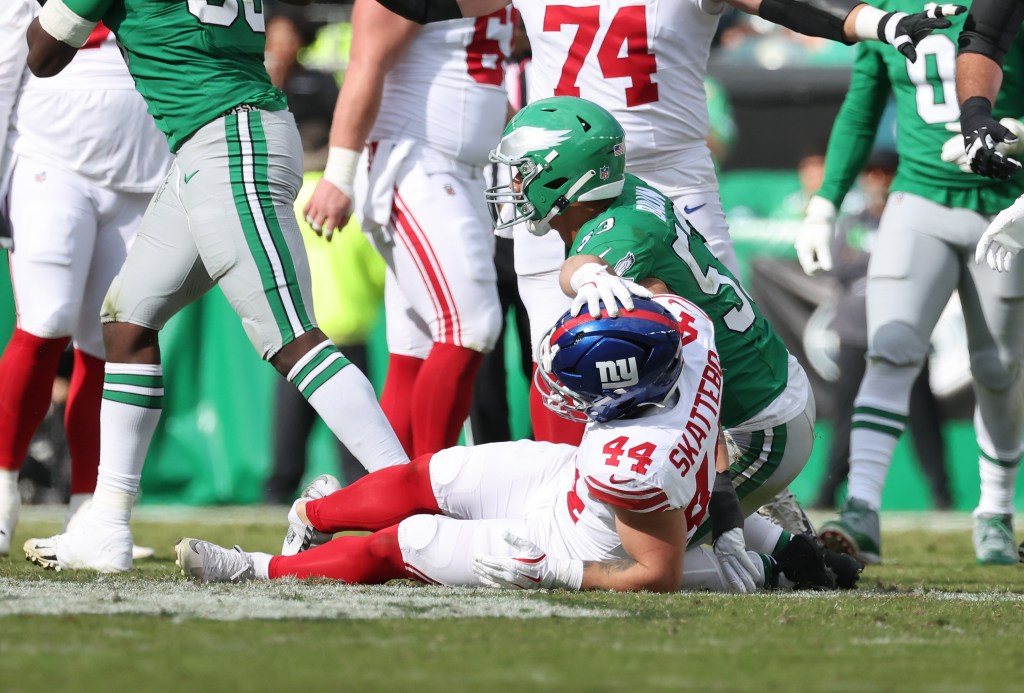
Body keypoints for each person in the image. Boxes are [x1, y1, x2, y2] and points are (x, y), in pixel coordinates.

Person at [367, 0, 966, 447]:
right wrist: (872, 22)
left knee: (717, 344)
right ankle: (558, 503)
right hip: (560, 181)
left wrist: (874, 22)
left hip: (666, 175)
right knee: (561, 357)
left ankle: (755, 500)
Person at [20, 0, 409, 573]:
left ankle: (408, 506)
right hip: (208, 142)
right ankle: (105, 523)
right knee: (127, 323)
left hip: (231, 136)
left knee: (291, 338)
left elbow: (42, 53)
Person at [177, 297, 853, 592]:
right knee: (428, 476)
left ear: (620, 391)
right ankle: (311, 517)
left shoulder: (638, 462)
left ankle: (252, 568)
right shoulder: (689, 339)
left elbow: (657, 574)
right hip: (575, 485)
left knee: (401, 544)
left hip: (594, 544)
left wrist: (557, 573)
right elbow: (716, 449)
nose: (566, 394)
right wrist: (735, 524)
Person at [486, 96, 824, 549]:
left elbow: (689, 367)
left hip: (757, 425)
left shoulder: (620, 236)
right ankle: (785, 535)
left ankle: (785, 552)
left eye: (523, 171)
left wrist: (584, 274)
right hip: (762, 392)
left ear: (563, 175)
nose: (515, 184)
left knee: (624, 551)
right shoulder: (620, 198)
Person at [794, 0, 1024, 564]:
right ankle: (862, 508)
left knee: (998, 368)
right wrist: (825, 202)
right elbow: (860, 107)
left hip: (1005, 204)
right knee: (890, 349)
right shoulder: (885, 8)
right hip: (918, 197)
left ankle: (994, 511)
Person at [300, 0, 508, 458]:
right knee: (470, 325)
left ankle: (391, 499)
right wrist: (338, 174)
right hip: (417, 164)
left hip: (464, 172)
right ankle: (427, 493)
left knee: (413, 346)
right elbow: (366, 61)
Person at [0, 1, 171, 557]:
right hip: (51, 150)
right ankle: (1, 493)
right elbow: (8, 58)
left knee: (113, 338)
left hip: (144, 162)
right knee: (46, 319)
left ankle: (92, 514)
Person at [808, 150, 953, 512]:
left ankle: (942, 495)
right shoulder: (853, 221)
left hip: (906, 329)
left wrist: (874, 265)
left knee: (923, 416)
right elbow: (840, 266)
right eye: (872, 170)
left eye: (887, 171)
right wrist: (888, 264)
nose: (880, 178)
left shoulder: (915, 222)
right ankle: (827, 493)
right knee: (848, 416)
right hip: (857, 333)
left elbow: (924, 265)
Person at [264, 8, 339, 172]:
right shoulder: (254, 82)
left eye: (288, 37)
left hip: (313, 158)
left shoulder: (320, 80)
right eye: (275, 39)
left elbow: (338, 120)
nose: (282, 46)